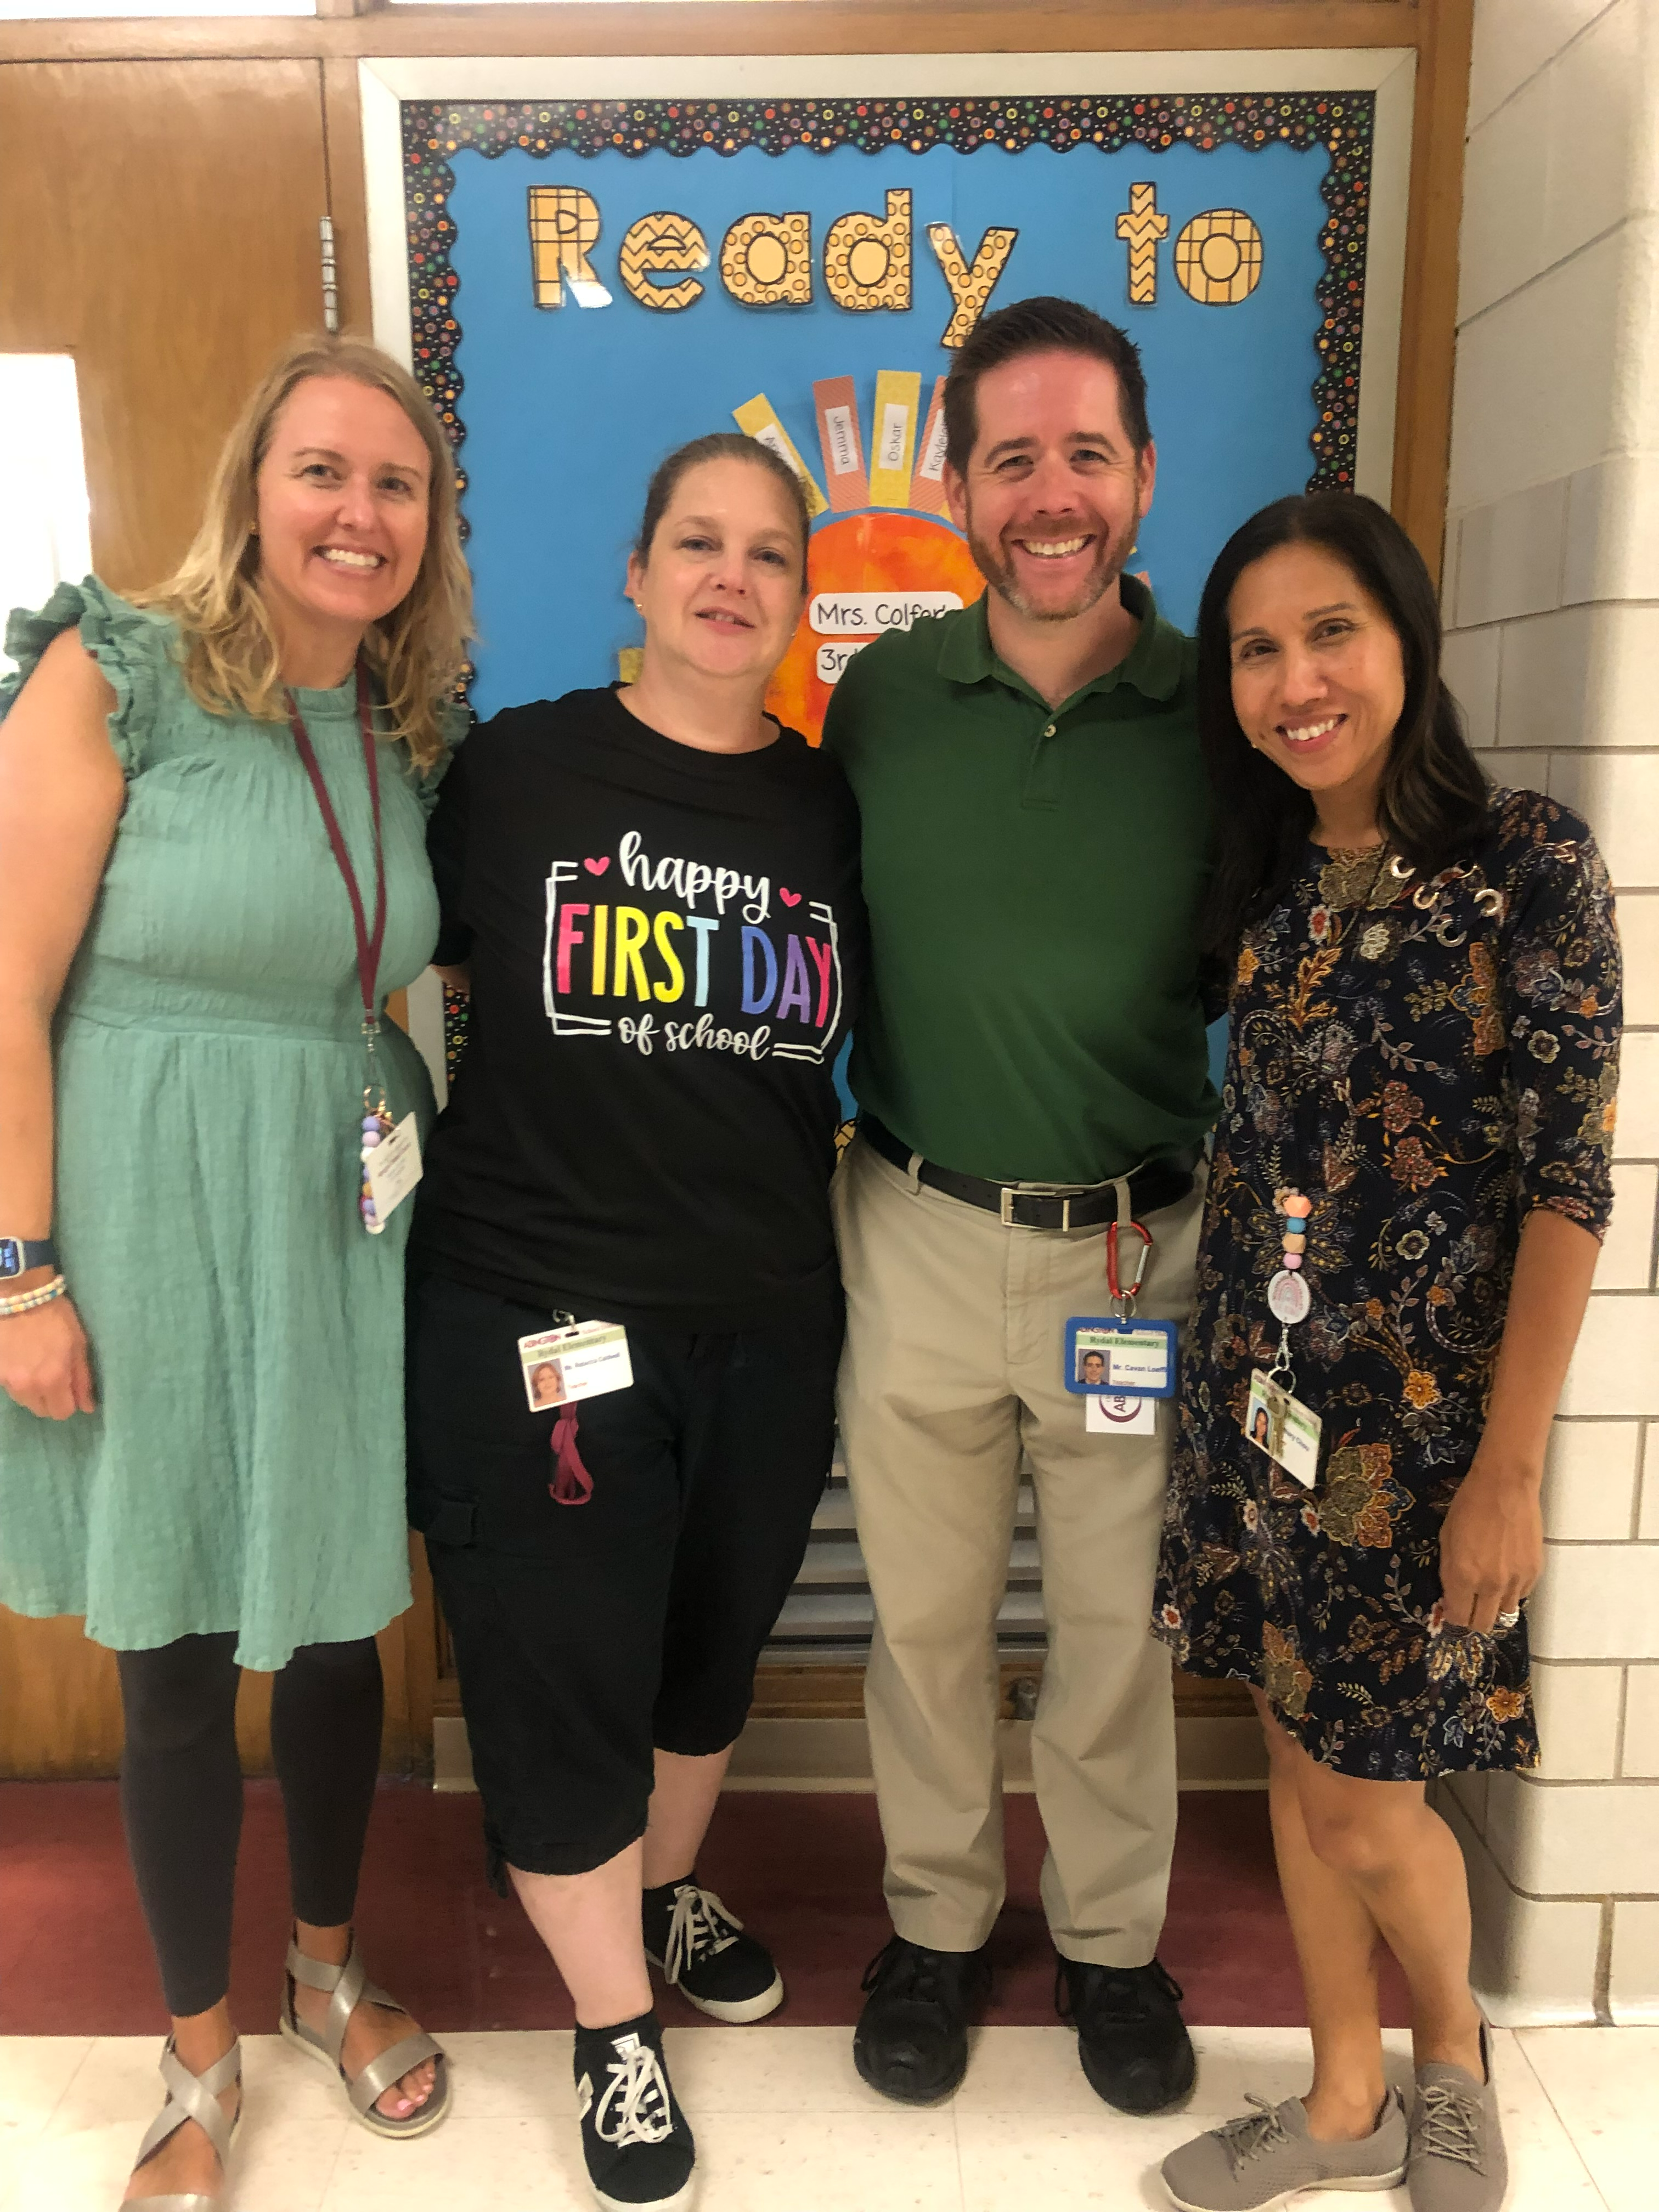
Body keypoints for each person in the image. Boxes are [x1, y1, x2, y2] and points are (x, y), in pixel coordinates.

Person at [0, 335, 472, 2207]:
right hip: (148, 1198)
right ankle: (197, 2058)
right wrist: (20, 1270)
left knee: (350, 1615)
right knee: (186, 1636)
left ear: (431, 531)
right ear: (252, 490)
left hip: (341, 1205)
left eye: (397, 487)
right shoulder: (110, 674)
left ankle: (327, 1969)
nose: (359, 515)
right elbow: (7, 998)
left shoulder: (405, 727)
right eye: (324, 473)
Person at [406, 431, 864, 2212]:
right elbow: (359, 953)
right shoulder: (515, 774)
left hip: (765, 1312)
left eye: (767, 552)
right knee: (559, 1666)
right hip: (536, 1310)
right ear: (636, 570)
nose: (730, 576)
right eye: (697, 541)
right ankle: (613, 2025)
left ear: (798, 595)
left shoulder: (825, 807)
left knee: (708, 1651)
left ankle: (666, 1886)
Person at [1155, 492, 1619, 2212]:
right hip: (1267, 1409)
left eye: (1329, 632)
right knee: (1294, 1750)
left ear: (1407, 638)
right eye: (1260, 651)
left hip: (1426, 1438)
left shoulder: (1530, 863)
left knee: (1368, 1798)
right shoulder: (1273, 876)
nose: (1296, 682)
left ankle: (1454, 2060)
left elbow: (1571, 1183)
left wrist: (1511, 1472)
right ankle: (1341, 2097)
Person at [823, 295, 1216, 2112]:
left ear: (1141, 473)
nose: (1049, 496)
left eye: (1084, 456)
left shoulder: (1225, 711)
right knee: (921, 1620)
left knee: (1116, 1628)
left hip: (1142, 1247)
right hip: (910, 1225)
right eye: (1012, 461)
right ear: (963, 489)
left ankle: (1115, 1945)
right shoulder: (885, 699)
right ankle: (937, 1919)